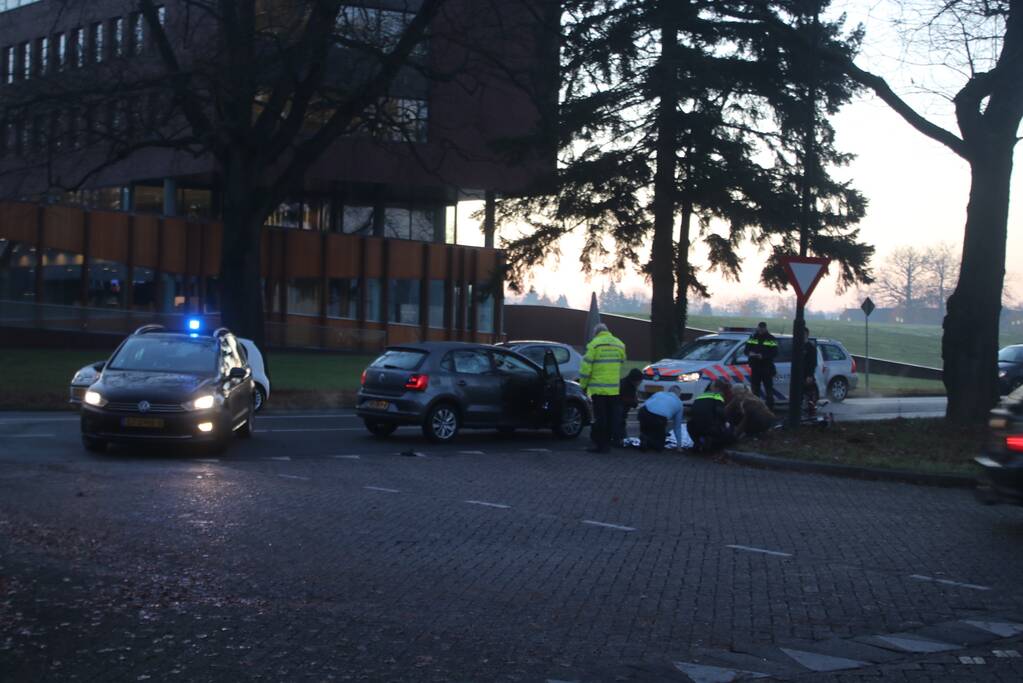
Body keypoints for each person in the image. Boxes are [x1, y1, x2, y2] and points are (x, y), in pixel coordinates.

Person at [579, 323, 627, 453]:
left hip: (598, 389)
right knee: (612, 417)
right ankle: (610, 442)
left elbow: (585, 369)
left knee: (601, 418)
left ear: (596, 333)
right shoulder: (619, 344)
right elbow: (622, 362)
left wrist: (583, 385)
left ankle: (601, 445)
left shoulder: (594, 345)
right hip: (614, 389)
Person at [686, 379, 734, 452]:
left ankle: (697, 444)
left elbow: (692, 411)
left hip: (694, 428)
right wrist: (726, 422)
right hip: (710, 428)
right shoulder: (717, 396)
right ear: (720, 389)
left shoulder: (700, 396)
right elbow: (720, 412)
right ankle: (714, 445)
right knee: (728, 431)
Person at [637, 384, 685, 452]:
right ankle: (651, 441)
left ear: (668, 391)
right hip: (659, 419)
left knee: (646, 429)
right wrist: (679, 446)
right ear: (679, 394)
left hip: (644, 412)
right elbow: (677, 427)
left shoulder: (659, 393)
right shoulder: (679, 403)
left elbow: (645, 404)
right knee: (659, 446)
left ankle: (645, 436)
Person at [745, 322, 779, 411]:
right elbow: (746, 350)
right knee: (755, 391)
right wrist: (750, 353)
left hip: (766, 368)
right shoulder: (753, 337)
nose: (760, 331)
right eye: (759, 329)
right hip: (755, 367)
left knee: (769, 391)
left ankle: (769, 410)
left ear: (765, 328)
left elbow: (774, 353)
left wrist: (763, 356)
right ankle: (756, 409)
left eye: (762, 329)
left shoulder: (771, 339)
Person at [615, 368, 644, 445]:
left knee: (621, 421)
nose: (640, 383)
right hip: (619, 406)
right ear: (634, 380)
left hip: (622, 406)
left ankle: (621, 438)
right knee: (619, 421)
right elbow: (624, 398)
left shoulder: (628, 383)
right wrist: (634, 403)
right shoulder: (625, 385)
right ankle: (619, 439)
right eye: (639, 381)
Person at [802, 326, 820, 416]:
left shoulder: (810, 348)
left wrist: (810, 375)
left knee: (809, 395)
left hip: (807, 375)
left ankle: (810, 413)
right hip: (799, 375)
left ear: (806, 335)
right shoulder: (797, 346)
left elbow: (813, 363)